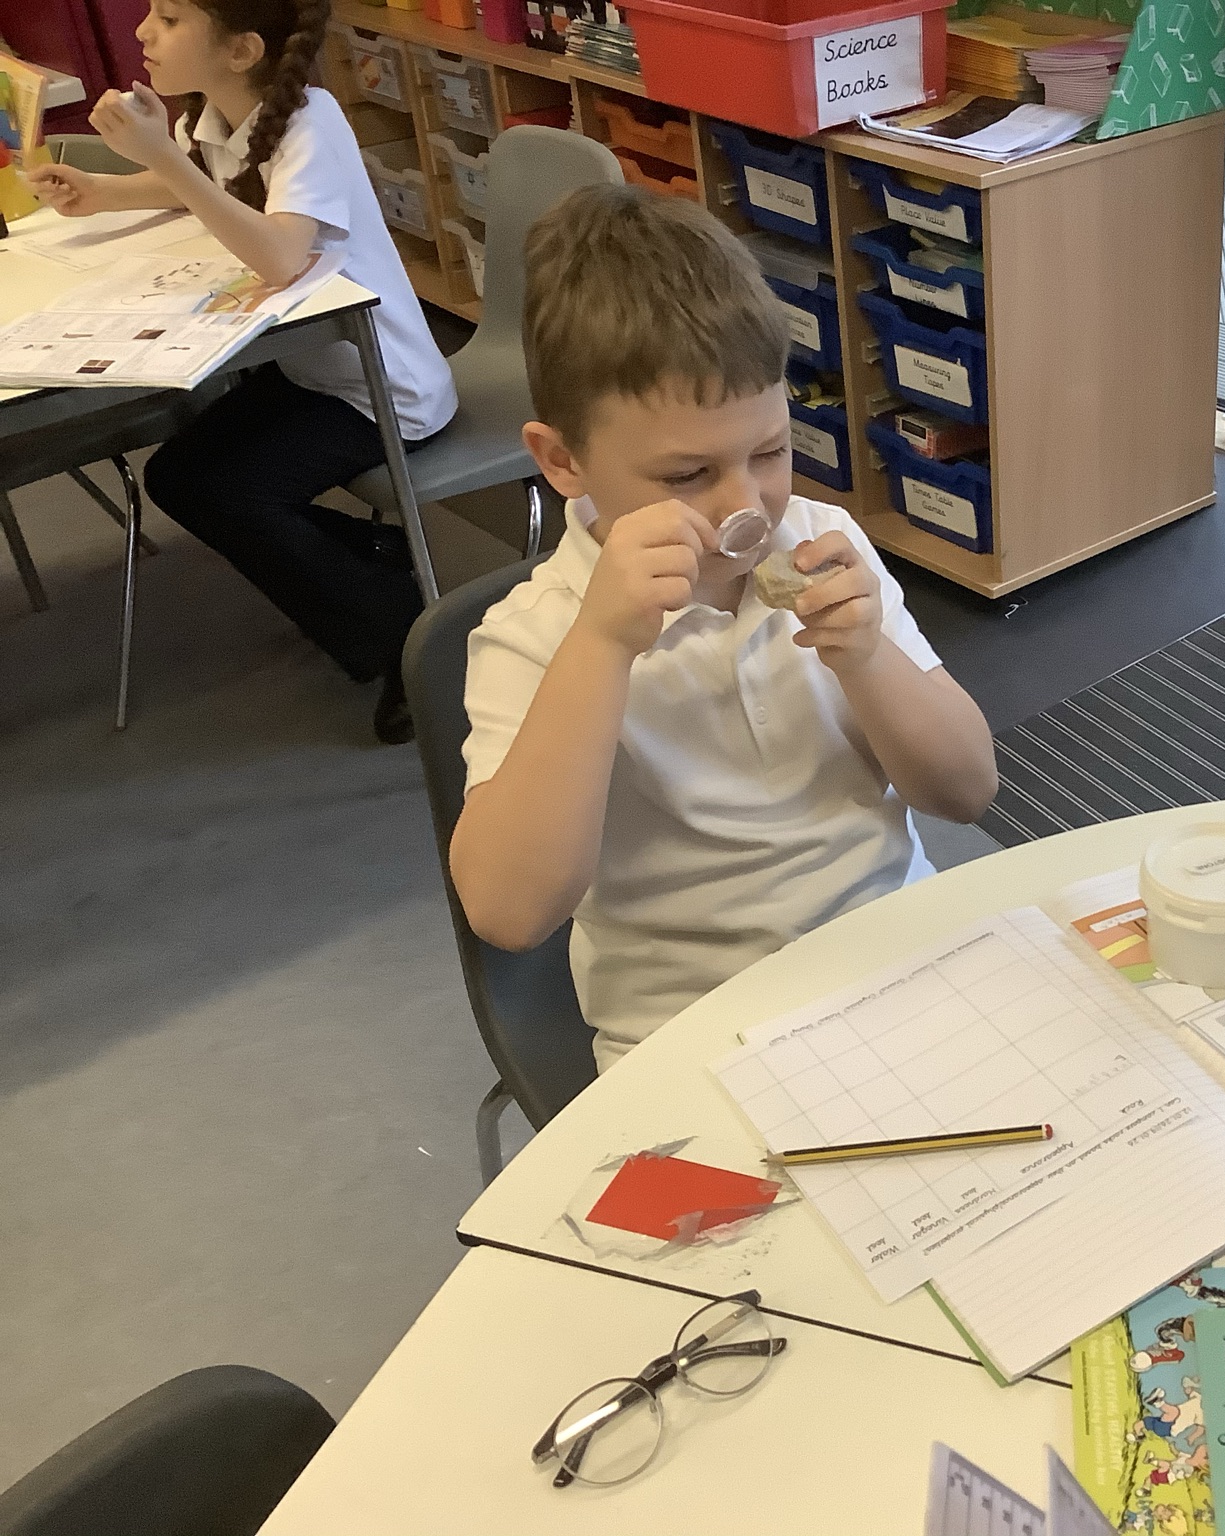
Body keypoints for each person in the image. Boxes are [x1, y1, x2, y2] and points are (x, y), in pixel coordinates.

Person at [448, 185, 997, 1070]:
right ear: (564, 460)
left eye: (770, 452)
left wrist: (867, 658)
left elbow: (966, 791)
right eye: (687, 474)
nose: (746, 504)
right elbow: (511, 913)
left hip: (895, 959)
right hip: (692, 1034)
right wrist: (602, 648)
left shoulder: (823, 544)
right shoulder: (537, 636)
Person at [29, 0, 458, 744]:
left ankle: (408, 636)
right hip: (312, 374)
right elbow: (206, 187)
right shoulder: (215, 119)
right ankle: (366, 553)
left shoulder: (311, 122)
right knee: (178, 477)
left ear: (241, 51)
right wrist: (105, 193)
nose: (142, 31)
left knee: (236, 491)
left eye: (168, 19)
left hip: (383, 388)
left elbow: (282, 256)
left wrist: (159, 156)